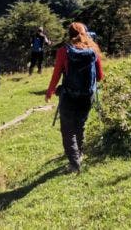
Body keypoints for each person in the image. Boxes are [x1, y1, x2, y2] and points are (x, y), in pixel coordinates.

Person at [45, 22, 105, 173]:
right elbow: (99, 76)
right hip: (87, 95)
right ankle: (80, 154)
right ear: (85, 33)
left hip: (69, 96)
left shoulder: (63, 51)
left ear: (69, 34)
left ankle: (74, 163)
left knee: (67, 129)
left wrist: (50, 92)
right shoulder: (93, 49)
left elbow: (56, 74)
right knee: (80, 124)